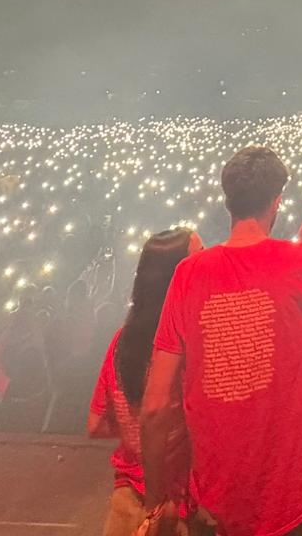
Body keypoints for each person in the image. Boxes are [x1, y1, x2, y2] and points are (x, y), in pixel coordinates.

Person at [141, 148, 302, 536]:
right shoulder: (299, 264)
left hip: (215, 498)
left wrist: (154, 498)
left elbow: (155, 406)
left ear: (228, 200)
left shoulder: (188, 274)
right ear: (277, 201)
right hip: (287, 496)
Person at [89, 229, 201, 536]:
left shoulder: (120, 342)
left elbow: (95, 423)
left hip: (126, 510)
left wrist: (131, 428)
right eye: (198, 258)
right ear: (177, 278)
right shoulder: (187, 346)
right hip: (174, 509)